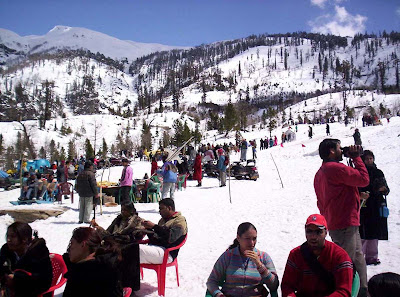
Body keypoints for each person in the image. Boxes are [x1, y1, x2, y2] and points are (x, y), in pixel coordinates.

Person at [314, 138, 369, 296]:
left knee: (357, 257)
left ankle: (362, 290)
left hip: (335, 221)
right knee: (346, 263)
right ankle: (346, 292)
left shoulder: (321, 172)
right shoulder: (335, 168)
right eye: (339, 148)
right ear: (331, 151)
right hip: (345, 221)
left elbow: (324, 199)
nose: (341, 150)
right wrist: (356, 157)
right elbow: (363, 179)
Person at [281, 214, 353, 297]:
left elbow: (344, 291)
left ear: (326, 232)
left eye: (318, 232)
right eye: (309, 231)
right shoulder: (295, 255)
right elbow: (287, 286)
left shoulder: (340, 256)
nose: (313, 236)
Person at [206, 222, 279, 297]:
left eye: (254, 239)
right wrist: (219, 295)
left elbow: (274, 286)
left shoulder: (264, 257)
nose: (252, 243)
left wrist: (260, 266)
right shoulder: (228, 256)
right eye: (247, 239)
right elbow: (211, 281)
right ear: (238, 238)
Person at [91, 203, 144, 292]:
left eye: (125, 210)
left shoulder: (138, 221)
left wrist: (116, 238)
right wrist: (98, 227)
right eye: (122, 210)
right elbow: (108, 233)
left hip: (127, 247)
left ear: (131, 211)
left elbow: (135, 236)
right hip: (112, 243)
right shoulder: (118, 219)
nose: (123, 212)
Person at [62, 227, 123, 297]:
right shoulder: (105, 263)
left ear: (83, 245)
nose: (69, 249)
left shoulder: (85, 274)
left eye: (71, 244)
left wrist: (74, 271)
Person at [0, 222, 52, 297]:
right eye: (7, 236)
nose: (8, 239)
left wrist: (16, 279)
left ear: (24, 239)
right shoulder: (6, 249)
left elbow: (44, 283)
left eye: (13, 236)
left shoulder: (39, 252)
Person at [359, 150, 390, 265]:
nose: (369, 161)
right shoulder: (360, 173)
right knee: (362, 231)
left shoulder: (378, 172)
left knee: (374, 232)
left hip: (376, 205)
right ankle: (360, 256)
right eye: (367, 159)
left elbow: (386, 189)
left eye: (371, 158)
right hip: (364, 205)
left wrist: (383, 189)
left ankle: (372, 256)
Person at [140, 198, 187, 264]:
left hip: (167, 253)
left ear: (169, 208)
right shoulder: (162, 220)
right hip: (157, 248)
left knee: (135, 250)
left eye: (161, 209)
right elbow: (157, 238)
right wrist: (148, 229)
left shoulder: (179, 220)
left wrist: (154, 226)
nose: (159, 211)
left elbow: (171, 237)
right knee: (128, 249)